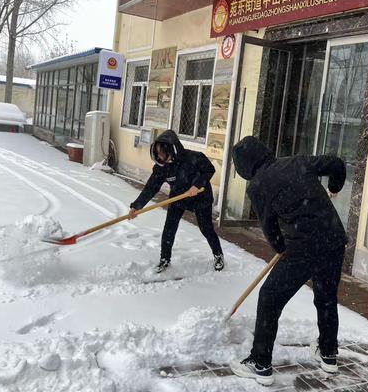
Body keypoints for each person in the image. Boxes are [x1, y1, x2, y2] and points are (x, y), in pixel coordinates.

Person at [229, 136, 347, 386]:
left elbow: (269, 226)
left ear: (244, 166)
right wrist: (335, 187)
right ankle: (328, 354)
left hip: (304, 246)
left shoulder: (257, 186)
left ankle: (260, 363)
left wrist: (281, 247)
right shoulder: (296, 162)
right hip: (334, 240)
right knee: (326, 297)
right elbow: (336, 164)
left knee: (270, 298)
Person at [128, 130, 224, 273]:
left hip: (200, 198)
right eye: (157, 153)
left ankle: (218, 255)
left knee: (206, 229)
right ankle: (164, 260)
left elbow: (209, 170)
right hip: (178, 197)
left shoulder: (194, 158)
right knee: (169, 228)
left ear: (171, 149)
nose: (159, 156)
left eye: (161, 152)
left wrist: (197, 185)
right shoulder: (162, 167)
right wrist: (137, 206)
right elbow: (151, 188)